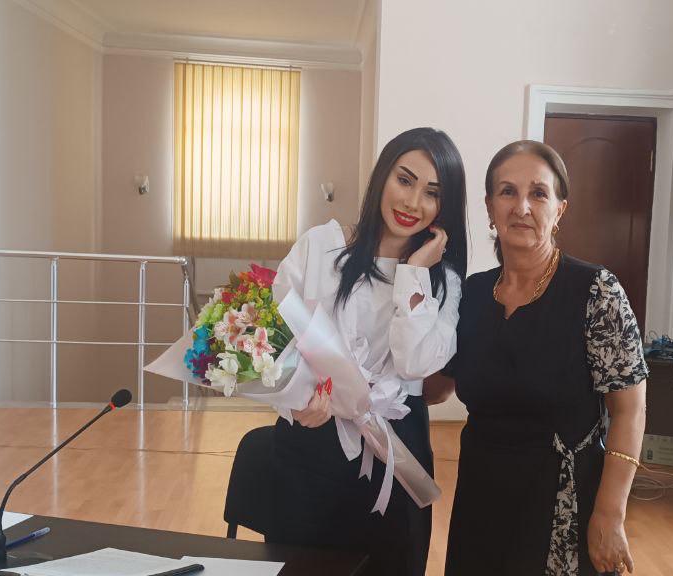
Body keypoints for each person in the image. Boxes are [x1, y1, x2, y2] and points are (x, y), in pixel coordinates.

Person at [439, 141, 648, 575]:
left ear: (560, 209)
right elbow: (435, 387)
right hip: (481, 498)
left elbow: (629, 410)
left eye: (538, 193)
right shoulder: (471, 295)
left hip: (562, 506)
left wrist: (610, 514)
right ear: (489, 207)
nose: (522, 207)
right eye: (507, 192)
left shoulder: (596, 292)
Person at [267, 127, 467, 576]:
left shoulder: (444, 282)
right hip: (312, 435)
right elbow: (276, 339)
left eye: (432, 193)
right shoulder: (321, 245)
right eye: (405, 180)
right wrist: (295, 402)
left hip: (396, 442)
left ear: (445, 206)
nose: (412, 202)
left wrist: (414, 273)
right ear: (383, 176)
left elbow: (415, 363)